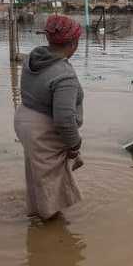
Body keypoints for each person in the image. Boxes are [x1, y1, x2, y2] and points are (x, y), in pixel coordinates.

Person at [15, 15, 85, 219]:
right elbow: (64, 120)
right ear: (73, 43)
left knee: (38, 174)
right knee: (50, 180)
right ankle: (50, 229)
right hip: (43, 129)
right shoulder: (64, 75)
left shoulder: (32, 58)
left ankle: (37, 215)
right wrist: (74, 145)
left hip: (25, 120)